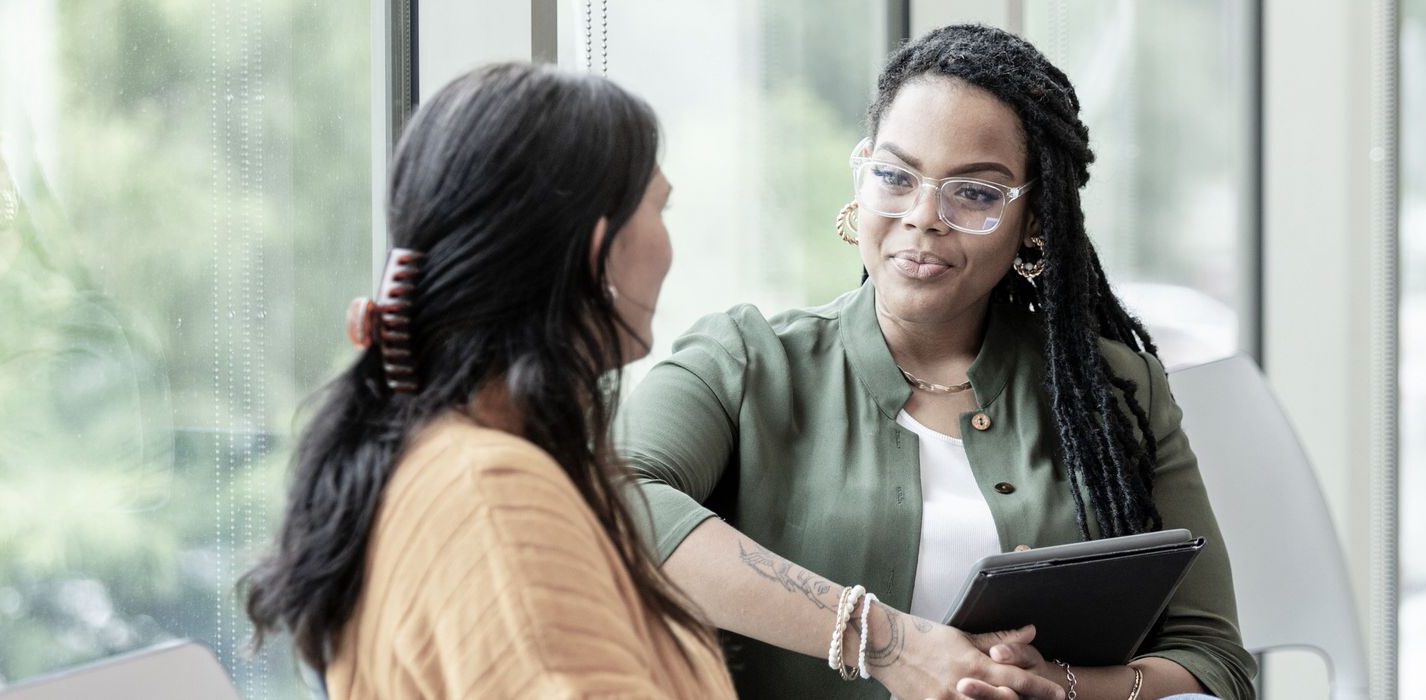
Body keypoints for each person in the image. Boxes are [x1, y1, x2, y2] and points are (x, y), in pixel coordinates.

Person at [620, 24, 1255, 700]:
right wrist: (888, 642)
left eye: (976, 194)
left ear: (1035, 218)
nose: (924, 216)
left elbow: (1212, 657)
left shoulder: (1115, 390)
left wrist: (1064, 686)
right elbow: (613, 499)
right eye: (895, 176)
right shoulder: (744, 362)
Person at [241, 62, 734, 698]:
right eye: (658, 207)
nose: (669, 243)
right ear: (597, 251)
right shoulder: (493, 496)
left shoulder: (455, 459)